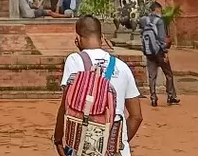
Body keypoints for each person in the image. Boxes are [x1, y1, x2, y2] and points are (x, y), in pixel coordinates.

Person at [54, 15, 144, 156]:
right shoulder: (123, 67)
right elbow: (137, 116)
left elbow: (65, 105)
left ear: (77, 39)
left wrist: (58, 139)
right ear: (102, 38)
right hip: (117, 151)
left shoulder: (74, 60)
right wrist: (118, 141)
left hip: (82, 147)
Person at [139, 1, 179, 107]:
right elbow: (161, 38)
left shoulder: (143, 20)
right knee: (168, 74)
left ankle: (153, 98)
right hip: (159, 52)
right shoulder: (159, 21)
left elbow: (142, 34)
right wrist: (165, 52)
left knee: (152, 76)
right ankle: (171, 96)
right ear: (157, 10)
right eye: (160, 10)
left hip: (149, 52)